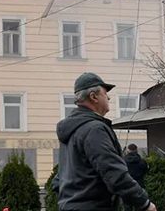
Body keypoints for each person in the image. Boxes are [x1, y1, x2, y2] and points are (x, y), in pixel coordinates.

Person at [56, 72, 156, 211]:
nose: (108, 97)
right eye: (105, 93)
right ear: (93, 97)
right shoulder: (94, 129)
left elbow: (58, 180)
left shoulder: (72, 130)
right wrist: (144, 203)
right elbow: (114, 173)